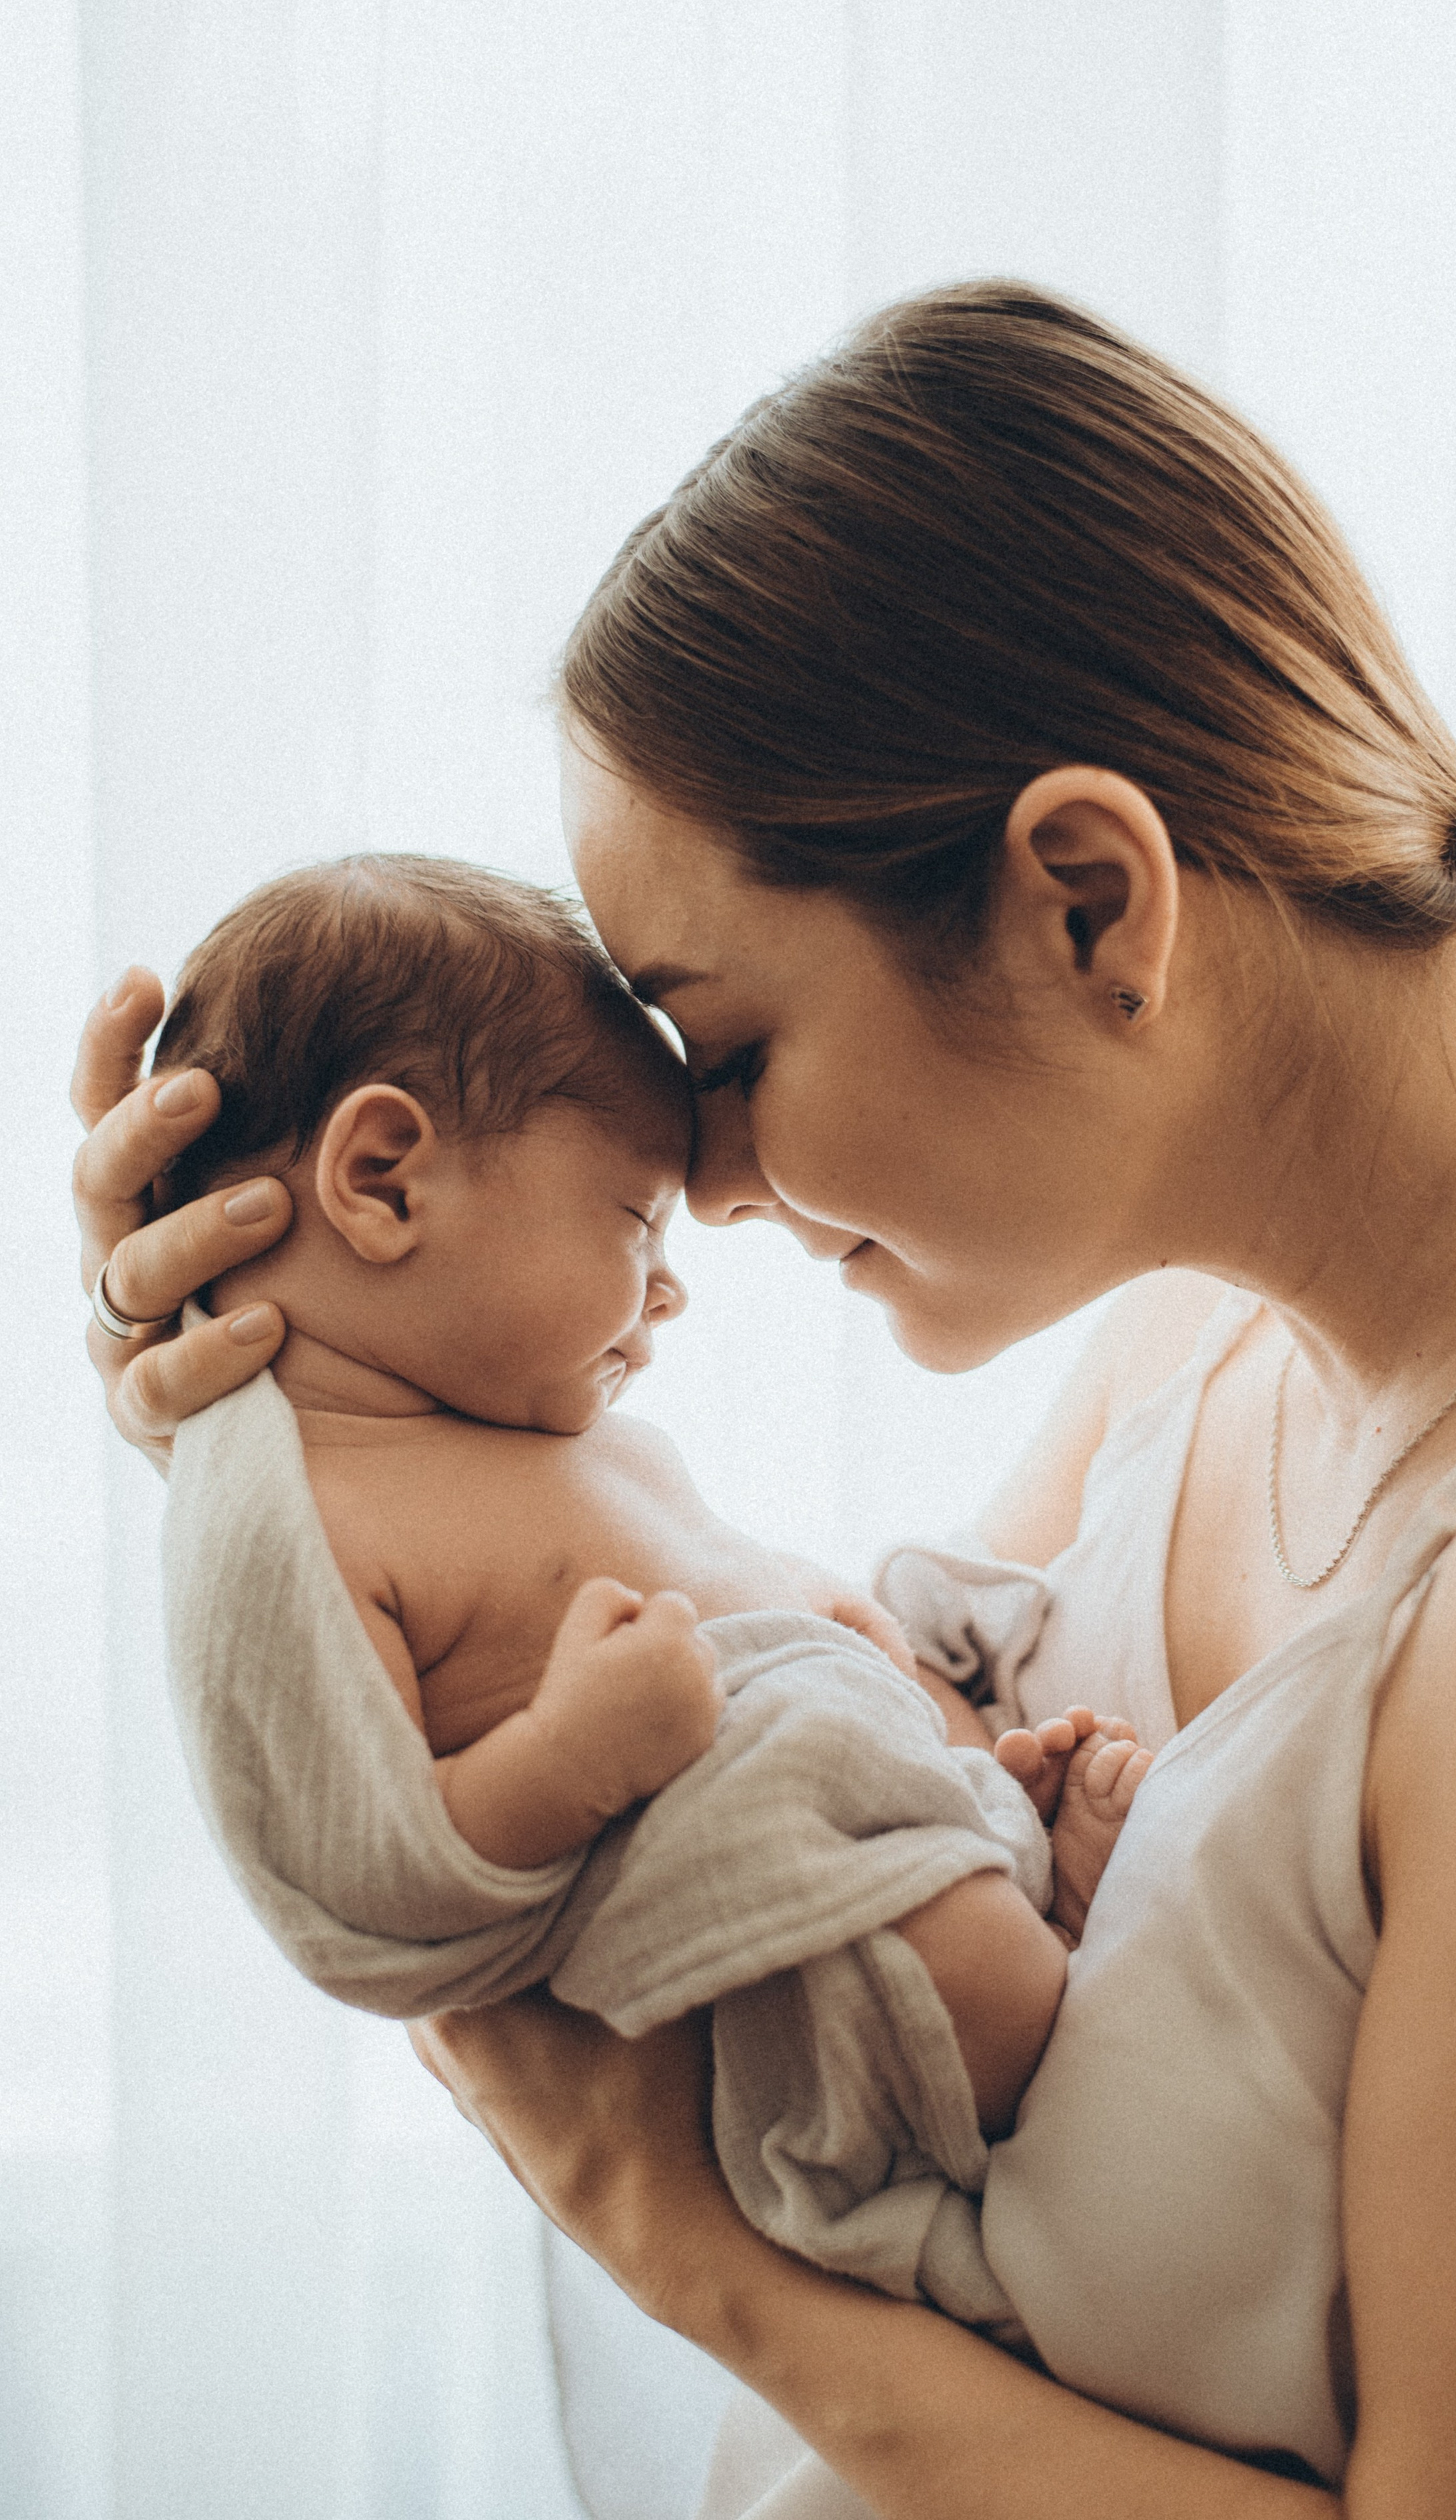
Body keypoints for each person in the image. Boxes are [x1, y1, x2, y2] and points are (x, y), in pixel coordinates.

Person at [73, 281, 1456, 2514]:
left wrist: (696, 2255)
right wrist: (305, 1416)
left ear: (1086, 900)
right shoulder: (1202, 1327)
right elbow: (788, 1745)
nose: (709, 1187)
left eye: (722, 1051)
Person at [147, 849, 1147, 2321]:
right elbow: (350, 1883)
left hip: (888, 1836)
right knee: (975, 1977)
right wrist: (567, 1757)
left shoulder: (504, 1424)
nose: (668, 1285)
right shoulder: (280, 1510)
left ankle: (1030, 1875)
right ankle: (1040, 1985)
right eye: (632, 1220)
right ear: (381, 1178)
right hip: (831, 1986)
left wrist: (844, 1628)